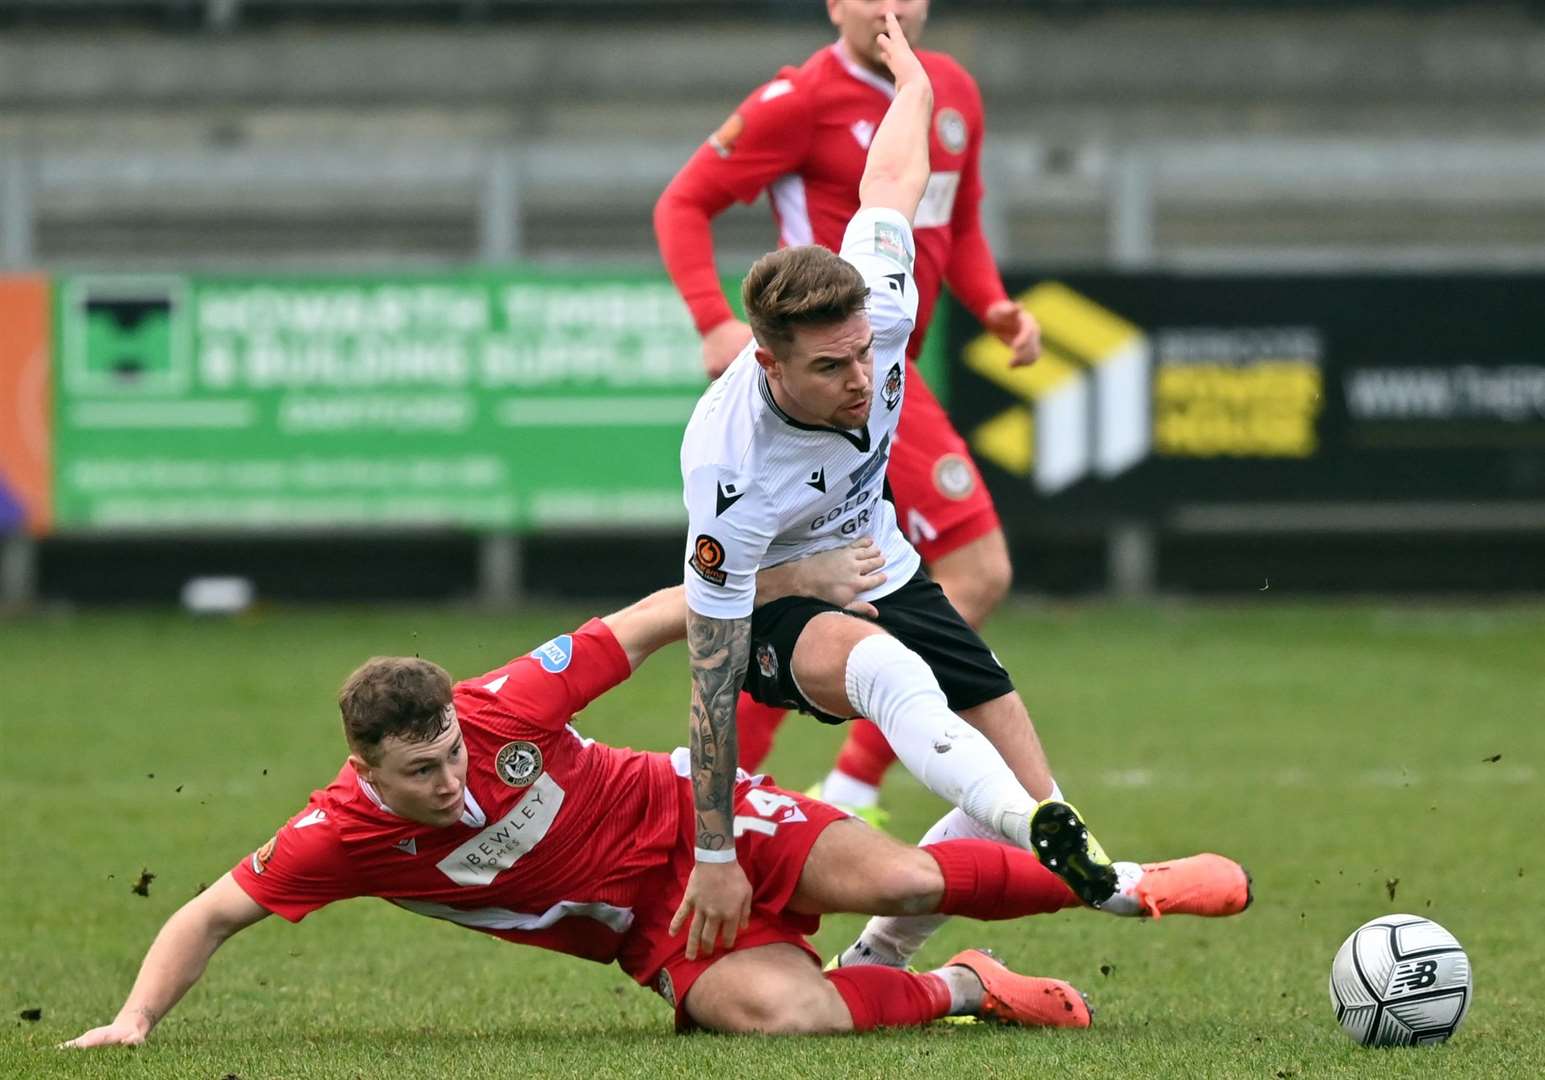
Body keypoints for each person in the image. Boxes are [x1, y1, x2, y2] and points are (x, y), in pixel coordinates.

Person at [60, 552, 1243, 1048]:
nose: (456, 776)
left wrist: (787, 577)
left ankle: (1124, 885)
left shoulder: (506, 704)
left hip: (694, 816)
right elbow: (208, 911)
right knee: (792, 1020)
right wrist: (134, 1023)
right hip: (652, 933)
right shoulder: (343, 834)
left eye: (458, 751)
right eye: (424, 773)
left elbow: (662, 612)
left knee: (902, 877)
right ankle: (962, 985)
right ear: (367, 771)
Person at [671, 13, 1250, 970]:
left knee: (1016, 780)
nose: (862, 379)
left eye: (866, 352)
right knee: (899, 682)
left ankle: (879, 962)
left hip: (881, 565)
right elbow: (707, 653)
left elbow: (891, 180)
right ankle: (1110, 883)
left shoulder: (879, 303)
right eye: (830, 367)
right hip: (781, 617)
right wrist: (714, 850)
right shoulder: (728, 459)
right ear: (768, 361)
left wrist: (913, 87)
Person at [656, 0, 1037, 814]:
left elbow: (955, 224)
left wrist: (994, 305)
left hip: (886, 361)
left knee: (819, 593)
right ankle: (847, 783)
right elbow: (680, 205)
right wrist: (713, 318)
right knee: (974, 569)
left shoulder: (952, 94)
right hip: (839, 381)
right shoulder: (796, 101)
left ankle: (767, 783)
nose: (894, 7)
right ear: (834, 4)